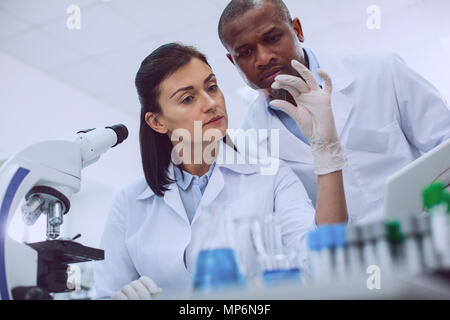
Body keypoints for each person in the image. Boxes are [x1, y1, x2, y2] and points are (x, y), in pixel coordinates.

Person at [94, 43, 348, 299]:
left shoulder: (271, 177)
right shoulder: (128, 204)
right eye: (188, 98)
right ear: (157, 122)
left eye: (212, 87)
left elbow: (321, 261)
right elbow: (105, 293)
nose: (210, 103)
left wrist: (326, 151)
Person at [218, 0, 450, 224]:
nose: (263, 58)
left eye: (272, 38)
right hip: (344, 258)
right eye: (245, 52)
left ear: (297, 30)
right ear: (232, 61)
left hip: (425, 238)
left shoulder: (382, 72)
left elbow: (445, 149)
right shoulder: (251, 142)